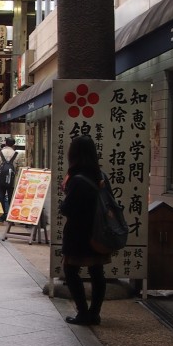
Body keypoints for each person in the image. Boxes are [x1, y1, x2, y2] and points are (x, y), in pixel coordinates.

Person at [60, 134, 110, 325]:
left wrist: (65, 197)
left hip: (79, 233)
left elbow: (68, 209)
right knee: (97, 272)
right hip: (98, 232)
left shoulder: (76, 179)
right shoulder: (100, 176)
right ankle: (94, 313)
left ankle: (83, 313)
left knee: (71, 271)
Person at [0, 135, 20, 223]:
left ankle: (0, 217)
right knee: (12, 198)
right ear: (13, 145)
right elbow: (19, 169)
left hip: (0, 180)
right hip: (12, 181)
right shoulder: (17, 155)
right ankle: (11, 218)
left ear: (5, 143)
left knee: (0, 197)